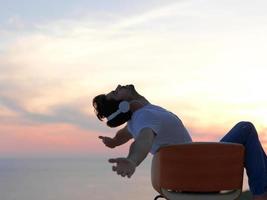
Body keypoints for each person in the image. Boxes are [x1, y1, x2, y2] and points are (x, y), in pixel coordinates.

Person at [92, 84, 267, 200]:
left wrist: (114, 142)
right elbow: (143, 140)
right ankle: (261, 195)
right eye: (116, 93)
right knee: (245, 129)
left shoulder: (137, 119)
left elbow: (125, 134)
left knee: (245, 130)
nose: (119, 86)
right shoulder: (146, 117)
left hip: (191, 175)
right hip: (202, 173)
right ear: (123, 105)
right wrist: (132, 160)